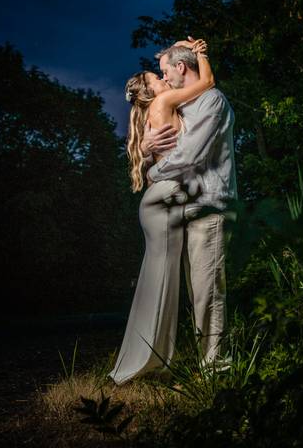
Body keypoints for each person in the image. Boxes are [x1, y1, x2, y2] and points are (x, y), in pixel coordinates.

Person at [109, 38, 214, 385]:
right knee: (162, 281)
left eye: (163, 72)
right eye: (157, 77)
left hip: (160, 199)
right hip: (164, 199)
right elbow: (207, 83)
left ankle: (149, 359)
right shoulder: (165, 100)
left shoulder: (157, 108)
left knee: (158, 280)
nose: (163, 78)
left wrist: (179, 45)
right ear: (150, 89)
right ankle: (146, 361)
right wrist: (199, 53)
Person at [141, 39, 238, 370]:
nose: (164, 78)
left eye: (166, 70)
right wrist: (145, 147)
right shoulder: (184, 105)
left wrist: (153, 172)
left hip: (210, 208)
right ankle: (207, 363)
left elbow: (190, 155)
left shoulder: (212, 101)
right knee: (198, 291)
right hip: (187, 209)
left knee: (208, 292)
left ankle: (217, 372)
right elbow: (163, 143)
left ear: (181, 68)